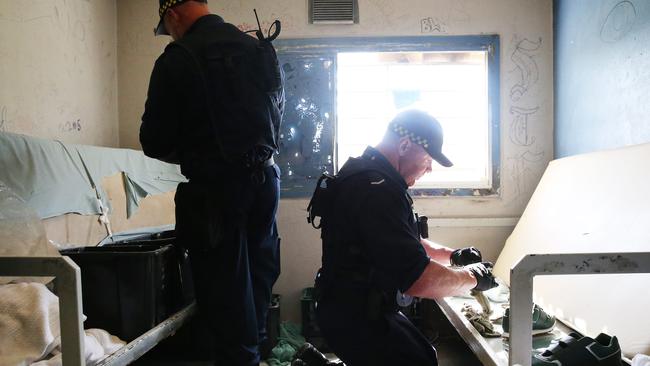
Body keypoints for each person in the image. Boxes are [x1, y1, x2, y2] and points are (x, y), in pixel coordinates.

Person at [139, 1, 284, 365]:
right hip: (266, 181)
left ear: (172, 15)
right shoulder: (257, 48)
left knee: (225, 300)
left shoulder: (177, 58)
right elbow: (277, 113)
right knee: (258, 284)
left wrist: (195, 149)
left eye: (167, 26)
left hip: (216, 193)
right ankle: (256, 351)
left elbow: (153, 141)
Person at [308, 109, 498, 366]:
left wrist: (452, 256)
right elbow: (419, 281)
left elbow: (401, 242)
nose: (430, 168)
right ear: (405, 144)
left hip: (345, 305)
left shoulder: (364, 173)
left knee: (424, 354)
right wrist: (473, 278)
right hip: (356, 315)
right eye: (429, 158)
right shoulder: (378, 191)